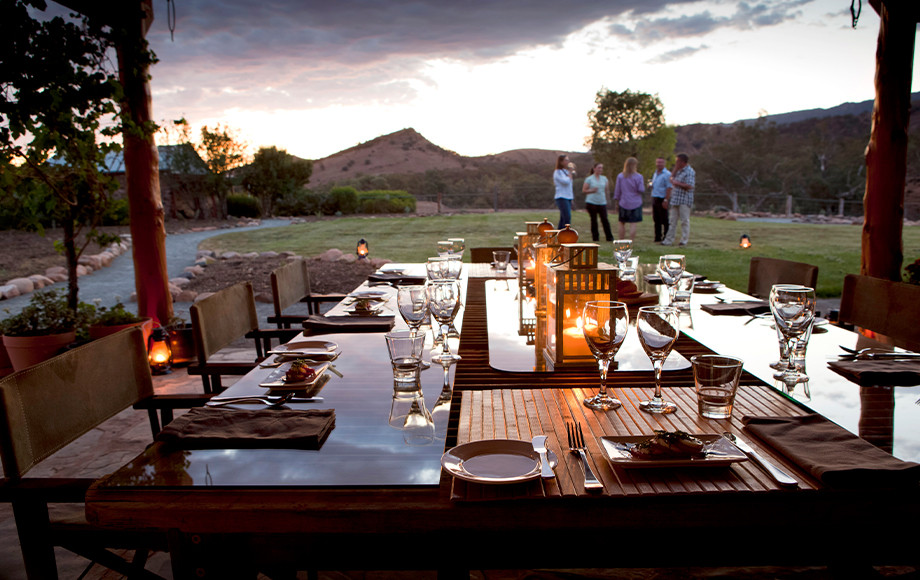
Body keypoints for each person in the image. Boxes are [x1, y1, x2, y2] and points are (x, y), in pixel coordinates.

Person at [662, 153, 696, 247]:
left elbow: (690, 186)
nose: (676, 163)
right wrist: (675, 170)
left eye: (677, 161)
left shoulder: (689, 171)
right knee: (672, 221)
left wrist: (678, 183)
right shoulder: (678, 171)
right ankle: (668, 240)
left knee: (684, 221)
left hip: (684, 200)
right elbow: (671, 179)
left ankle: (684, 240)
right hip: (675, 199)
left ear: (682, 162)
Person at [612, 157, 645, 240]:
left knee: (621, 223)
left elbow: (617, 190)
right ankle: (631, 241)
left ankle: (621, 240)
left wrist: (616, 201)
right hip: (636, 202)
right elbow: (641, 189)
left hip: (624, 202)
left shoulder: (620, 176)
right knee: (633, 223)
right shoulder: (639, 177)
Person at [582, 162, 613, 242]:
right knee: (594, 220)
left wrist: (608, 199)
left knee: (605, 220)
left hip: (602, 202)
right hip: (591, 202)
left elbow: (607, 191)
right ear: (594, 168)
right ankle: (595, 238)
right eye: (599, 168)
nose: (600, 169)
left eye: (601, 168)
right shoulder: (589, 179)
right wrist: (592, 190)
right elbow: (584, 190)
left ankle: (609, 237)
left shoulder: (604, 178)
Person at [649, 156, 672, 243]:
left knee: (664, 219)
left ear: (664, 163)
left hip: (662, 198)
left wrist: (666, 200)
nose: (659, 164)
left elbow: (669, 188)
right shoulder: (655, 173)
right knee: (656, 219)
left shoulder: (667, 174)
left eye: (661, 162)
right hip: (655, 197)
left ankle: (666, 236)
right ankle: (657, 237)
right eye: (658, 162)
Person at [553, 154, 574, 230]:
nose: (568, 162)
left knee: (563, 218)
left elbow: (569, 187)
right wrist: (570, 173)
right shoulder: (558, 172)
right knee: (567, 217)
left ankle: (560, 235)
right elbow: (566, 182)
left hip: (568, 197)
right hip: (561, 197)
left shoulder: (567, 172)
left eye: (568, 160)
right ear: (561, 162)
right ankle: (566, 235)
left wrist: (571, 198)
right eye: (566, 160)